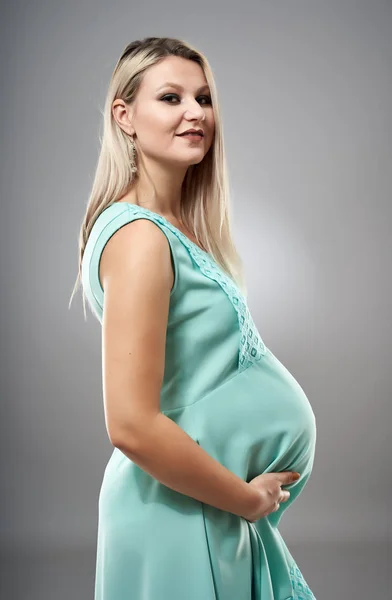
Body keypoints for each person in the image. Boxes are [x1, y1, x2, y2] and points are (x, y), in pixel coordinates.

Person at [69, 36, 317, 600]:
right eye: (171, 97)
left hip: (205, 510)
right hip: (177, 515)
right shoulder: (138, 238)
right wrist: (246, 499)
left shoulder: (174, 230)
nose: (194, 113)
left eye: (203, 98)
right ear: (124, 116)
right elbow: (130, 423)